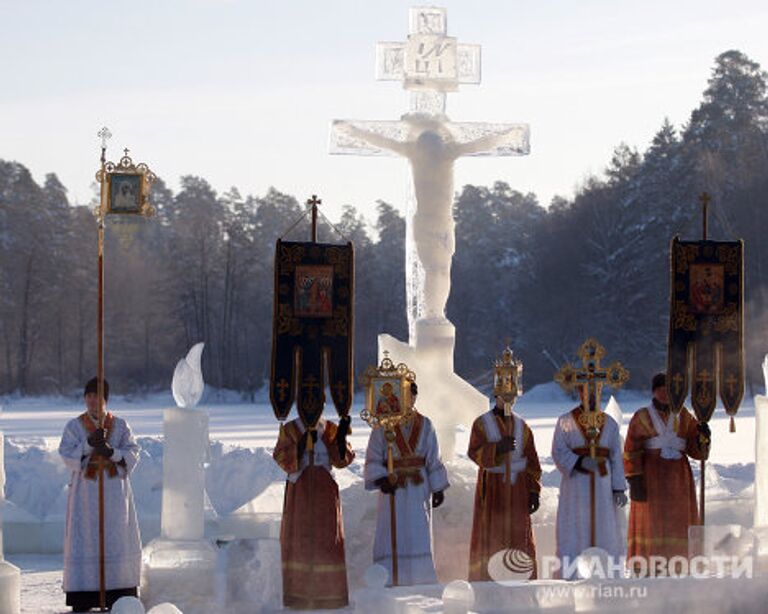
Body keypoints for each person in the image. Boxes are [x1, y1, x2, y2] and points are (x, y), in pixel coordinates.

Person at [58, 377, 141, 611]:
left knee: (115, 537)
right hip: (85, 495)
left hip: (114, 494)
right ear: (85, 398)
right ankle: (84, 595)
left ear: (106, 399)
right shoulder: (74, 427)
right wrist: (87, 445)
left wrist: (111, 452)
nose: (93, 401)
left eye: (98, 396)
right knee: (86, 537)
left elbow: (133, 453)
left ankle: (119, 591)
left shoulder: (121, 426)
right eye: (89, 396)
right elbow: (66, 455)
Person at [624, 373, 711, 573]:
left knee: (679, 519)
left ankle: (679, 564)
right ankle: (648, 565)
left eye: (668, 390)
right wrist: (634, 478)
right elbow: (631, 448)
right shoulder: (642, 416)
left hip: (678, 478)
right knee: (651, 519)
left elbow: (696, 451)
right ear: (654, 392)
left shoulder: (685, 416)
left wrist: (703, 437)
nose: (664, 394)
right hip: (650, 477)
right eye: (660, 390)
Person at [364, 382, 448, 585]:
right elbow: (373, 457)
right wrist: (382, 478)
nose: (409, 399)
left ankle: (421, 580)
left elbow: (433, 457)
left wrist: (438, 487)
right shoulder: (383, 426)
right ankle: (390, 579)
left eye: (412, 395)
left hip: (419, 487)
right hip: (392, 487)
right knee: (391, 533)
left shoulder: (426, 424)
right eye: (404, 395)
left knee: (418, 531)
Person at [273, 413, 354, 609]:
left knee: (327, 537)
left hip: (325, 491)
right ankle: (298, 593)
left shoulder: (329, 428)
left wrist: (341, 437)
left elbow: (342, 460)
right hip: (300, 489)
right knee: (299, 537)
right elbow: (280, 456)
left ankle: (329, 593)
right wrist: (300, 447)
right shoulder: (291, 429)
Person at [552, 388, 627, 578]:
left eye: (594, 391)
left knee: (606, 528)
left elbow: (617, 456)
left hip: (603, 485)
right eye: (586, 392)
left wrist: (618, 488)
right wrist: (578, 461)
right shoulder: (566, 420)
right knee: (575, 527)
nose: (591, 396)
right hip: (577, 484)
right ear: (579, 393)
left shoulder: (609, 423)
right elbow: (558, 451)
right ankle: (573, 574)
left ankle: (607, 574)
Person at [467, 395, 542, 580]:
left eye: (512, 395)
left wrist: (534, 491)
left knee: (518, 533)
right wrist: (497, 449)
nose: (509, 399)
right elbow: (473, 452)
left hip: (518, 488)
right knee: (492, 532)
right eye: (504, 395)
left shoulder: (521, 426)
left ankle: (520, 578)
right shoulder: (482, 423)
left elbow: (532, 460)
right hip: (492, 487)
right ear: (496, 395)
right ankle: (488, 579)